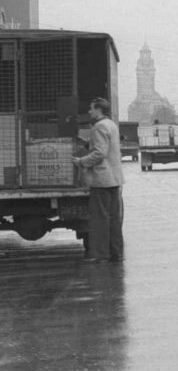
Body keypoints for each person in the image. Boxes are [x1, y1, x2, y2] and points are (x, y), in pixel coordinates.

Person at [73, 97, 124, 263]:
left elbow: (100, 153)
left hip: (102, 179)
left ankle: (102, 254)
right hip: (114, 179)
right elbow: (106, 148)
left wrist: (81, 162)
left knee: (100, 219)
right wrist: (88, 144)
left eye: (91, 108)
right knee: (114, 218)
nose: (89, 111)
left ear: (98, 110)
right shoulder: (111, 125)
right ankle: (116, 252)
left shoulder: (98, 127)